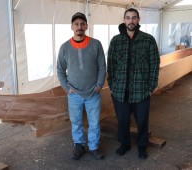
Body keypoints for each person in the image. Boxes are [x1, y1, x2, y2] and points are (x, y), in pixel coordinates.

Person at [107, 8, 160, 159]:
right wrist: (112, 85)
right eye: (128, 18)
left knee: (142, 121)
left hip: (141, 90)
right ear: (124, 20)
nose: (131, 21)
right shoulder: (116, 41)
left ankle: (142, 146)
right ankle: (124, 143)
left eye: (134, 18)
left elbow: (155, 64)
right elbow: (110, 65)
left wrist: (151, 86)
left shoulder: (148, 39)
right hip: (119, 91)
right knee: (123, 120)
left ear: (138, 20)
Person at [57, 12, 106, 160]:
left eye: (82, 24)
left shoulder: (96, 44)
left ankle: (93, 147)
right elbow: (60, 69)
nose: (79, 27)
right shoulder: (65, 47)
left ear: (86, 26)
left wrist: (99, 85)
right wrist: (67, 89)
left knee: (94, 122)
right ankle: (79, 145)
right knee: (76, 122)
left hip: (93, 92)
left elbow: (102, 66)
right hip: (74, 94)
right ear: (72, 27)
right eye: (76, 24)